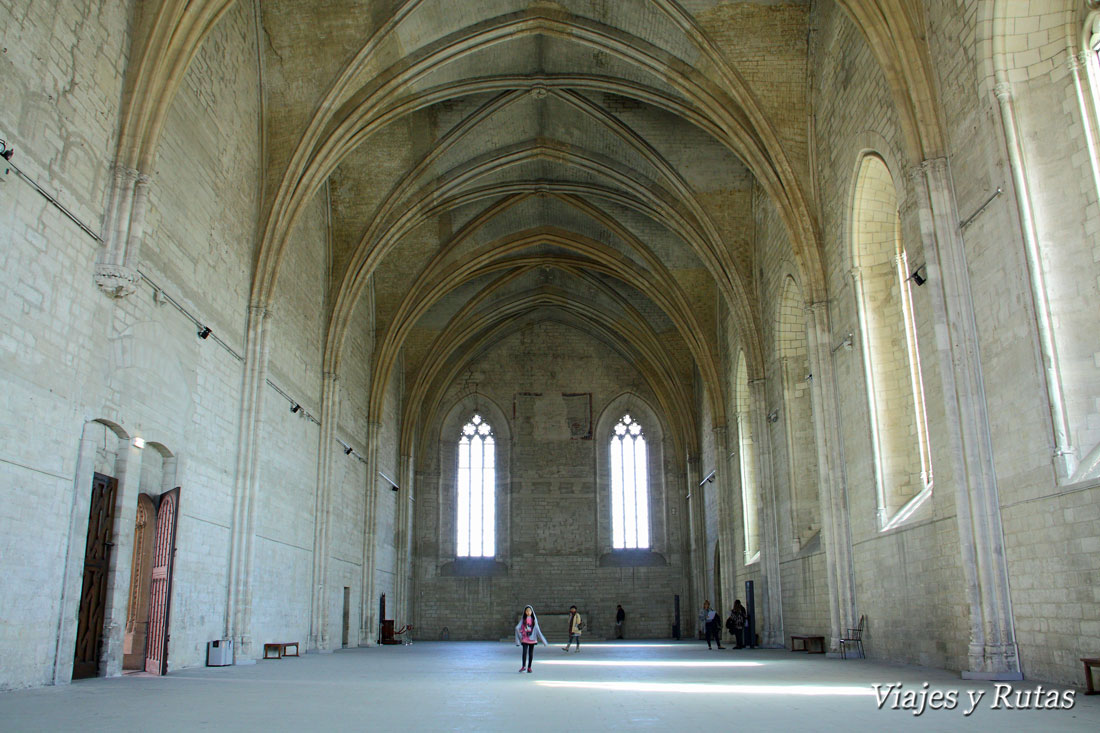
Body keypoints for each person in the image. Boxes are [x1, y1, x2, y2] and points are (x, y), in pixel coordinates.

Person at [514, 605, 548, 673]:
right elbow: (517, 627)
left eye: (529, 611)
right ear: (525, 612)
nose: (528, 612)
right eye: (527, 611)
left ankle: (529, 667)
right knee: (524, 652)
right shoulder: (523, 619)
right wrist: (520, 636)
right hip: (525, 639)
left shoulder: (534, 620)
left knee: (530, 653)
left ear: (532, 611)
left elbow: (538, 630)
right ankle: (523, 666)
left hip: (532, 639)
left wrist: (543, 640)